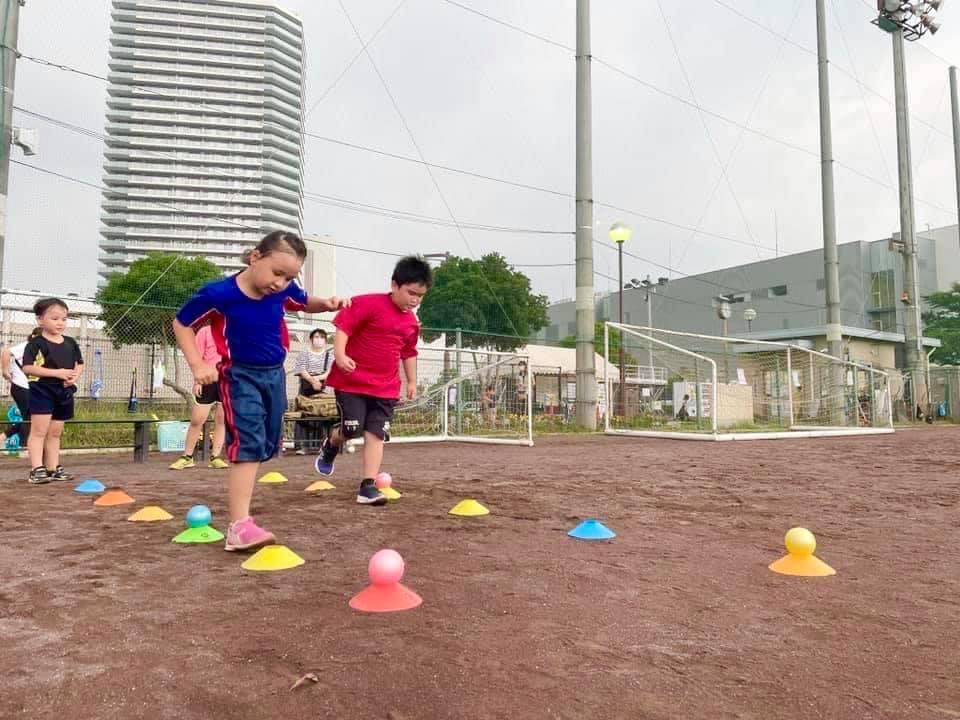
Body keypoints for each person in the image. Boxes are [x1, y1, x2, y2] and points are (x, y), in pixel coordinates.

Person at [173, 230, 347, 552]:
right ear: (256, 257)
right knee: (249, 440)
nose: (280, 283)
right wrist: (198, 365)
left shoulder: (281, 292)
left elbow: (303, 301)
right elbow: (181, 323)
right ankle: (239, 526)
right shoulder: (219, 294)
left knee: (268, 440)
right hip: (238, 374)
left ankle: (246, 486)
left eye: (289, 277)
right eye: (277, 273)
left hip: (274, 375)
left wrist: (326, 303)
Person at [315, 255, 432, 506]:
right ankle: (332, 443)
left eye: (420, 296)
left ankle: (367, 486)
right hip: (352, 382)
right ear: (394, 285)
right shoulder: (367, 303)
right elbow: (344, 325)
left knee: (376, 434)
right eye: (411, 293)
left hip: (386, 387)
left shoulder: (412, 323)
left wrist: (411, 381)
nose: (415, 300)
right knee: (351, 429)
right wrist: (340, 354)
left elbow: (409, 352)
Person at [21, 298, 84, 484]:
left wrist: (73, 377)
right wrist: (57, 373)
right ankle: (36, 469)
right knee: (39, 431)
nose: (60, 323)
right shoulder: (36, 344)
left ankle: (53, 468)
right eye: (55, 318)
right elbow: (28, 368)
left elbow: (79, 364)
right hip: (42, 391)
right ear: (40, 320)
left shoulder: (71, 343)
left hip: (64, 392)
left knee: (55, 432)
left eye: (64, 319)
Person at [168, 324, 229, 470]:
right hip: (207, 379)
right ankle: (187, 457)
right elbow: (198, 357)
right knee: (197, 420)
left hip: (228, 380)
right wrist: (197, 381)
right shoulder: (206, 331)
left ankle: (215, 457)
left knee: (222, 420)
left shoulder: (236, 329)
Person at [291, 328, 333, 455]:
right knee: (303, 414)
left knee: (322, 414)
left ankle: (320, 445)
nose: (318, 339)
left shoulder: (328, 355)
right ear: (311, 339)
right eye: (316, 337)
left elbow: (329, 372)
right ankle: (301, 446)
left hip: (321, 388)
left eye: (321, 337)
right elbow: (301, 369)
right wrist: (311, 380)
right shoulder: (304, 354)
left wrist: (318, 380)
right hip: (305, 388)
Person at [0, 334, 33, 452]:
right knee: (30, 418)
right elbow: (5, 352)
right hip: (21, 386)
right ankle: (24, 447)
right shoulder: (27, 346)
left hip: (27, 387)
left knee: (31, 417)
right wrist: (5, 371)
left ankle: (3, 438)